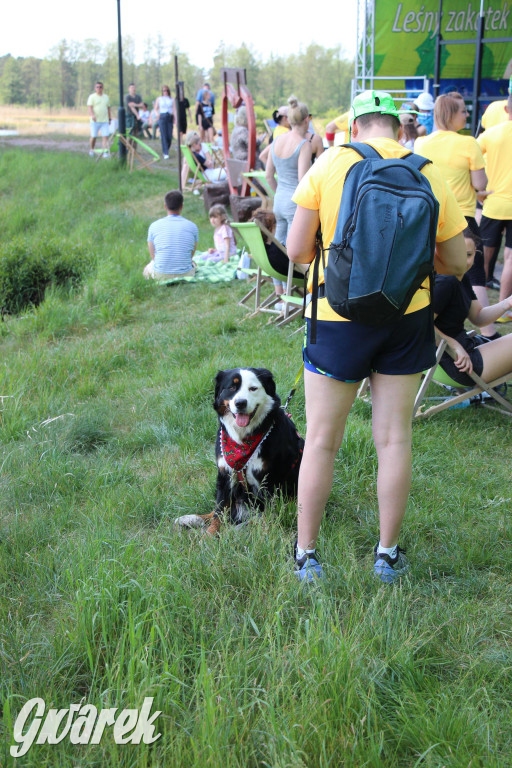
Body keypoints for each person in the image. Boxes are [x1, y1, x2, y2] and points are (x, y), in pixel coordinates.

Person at [286, 89, 467, 582]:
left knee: (322, 439)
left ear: (356, 125)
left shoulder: (329, 164)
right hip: (408, 317)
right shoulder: (427, 170)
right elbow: (455, 261)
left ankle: (307, 555)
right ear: (399, 126)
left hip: (337, 316)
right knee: (393, 438)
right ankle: (386, 555)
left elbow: (298, 250)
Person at [415, 92, 497, 338]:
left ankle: (430, 329)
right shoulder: (468, 143)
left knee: (432, 273)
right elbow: (479, 182)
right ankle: (488, 332)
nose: (467, 114)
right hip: (461, 218)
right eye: (463, 110)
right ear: (450, 114)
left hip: (430, 219)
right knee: (474, 273)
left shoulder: (421, 143)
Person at [434, 228, 512, 384]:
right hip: (460, 364)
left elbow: (478, 317)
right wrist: (454, 345)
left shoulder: (460, 276)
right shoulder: (445, 282)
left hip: (462, 355)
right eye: (457, 253)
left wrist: (507, 302)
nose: (464, 260)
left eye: (469, 255)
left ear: (476, 253)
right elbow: (420, 324)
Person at [265, 95, 313, 305]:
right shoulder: (303, 144)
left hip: (279, 199)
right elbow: (303, 180)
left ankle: (280, 294)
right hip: (296, 202)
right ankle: (309, 293)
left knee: (278, 245)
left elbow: (268, 175)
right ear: (306, 120)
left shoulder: (277, 141)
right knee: (298, 250)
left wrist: (279, 194)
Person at [477, 94, 512, 321]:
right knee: (510, 257)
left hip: (494, 201)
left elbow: (470, 160)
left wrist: (478, 190)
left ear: (507, 110)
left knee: (483, 253)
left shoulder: (490, 134)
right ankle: (503, 308)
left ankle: (480, 300)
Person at [143, 190, 198, 280]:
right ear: (182, 206)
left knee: (147, 268)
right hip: (186, 274)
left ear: (165, 206)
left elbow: (153, 255)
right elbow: (191, 254)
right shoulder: (193, 226)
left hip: (160, 275)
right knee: (194, 264)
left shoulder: (153, 226)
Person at [86, 82, 112, 157]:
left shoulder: (106, 97)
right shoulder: (92, 97)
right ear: (95, 88)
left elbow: (108, 108)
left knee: (105, 136)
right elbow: (90, 107)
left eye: (100, 87)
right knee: (94, 136)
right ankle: (91, 149)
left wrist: (109, 118)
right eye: (97, 87)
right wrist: (92, 115)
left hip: (104, 120)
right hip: (95, 121)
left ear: (102, 88)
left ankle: (104, 152)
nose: (99, 88)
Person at [153, 85, 176, 159]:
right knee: (164, 135)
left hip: (169, 117)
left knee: (169, 135)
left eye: (166, 90)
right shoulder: (159, 99)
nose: (165, 92)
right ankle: (165, 152)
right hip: (162, 116)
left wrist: (175, 118)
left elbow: (174, 109)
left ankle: (166, 148)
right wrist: (157, 114)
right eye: (164, 90)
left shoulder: (172, 99)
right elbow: (155, 108)